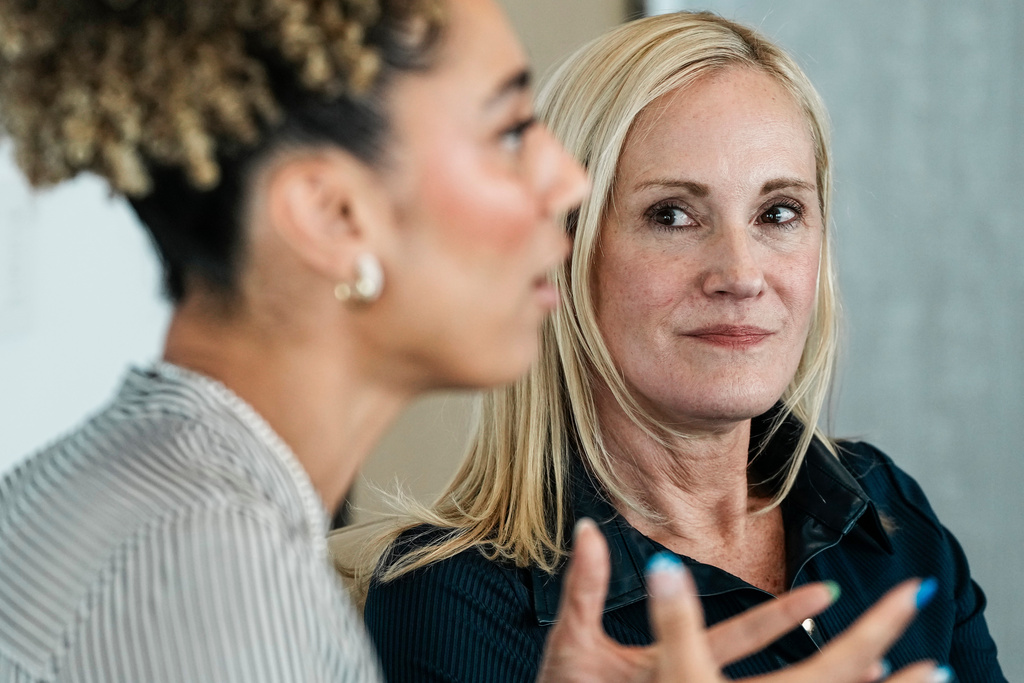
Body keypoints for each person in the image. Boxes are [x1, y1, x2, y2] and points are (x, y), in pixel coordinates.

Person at [0, 0, 948, 681]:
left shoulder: (183, 505)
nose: (566, 187)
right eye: (506, 132)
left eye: (781, 211)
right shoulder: (207, 572)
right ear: (333, 214)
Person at [357, 10, 1006, 683]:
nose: (742, 274)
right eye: (672, 214)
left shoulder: (887, 507)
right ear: (568, 252)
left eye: (778, 212)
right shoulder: (447, 598)